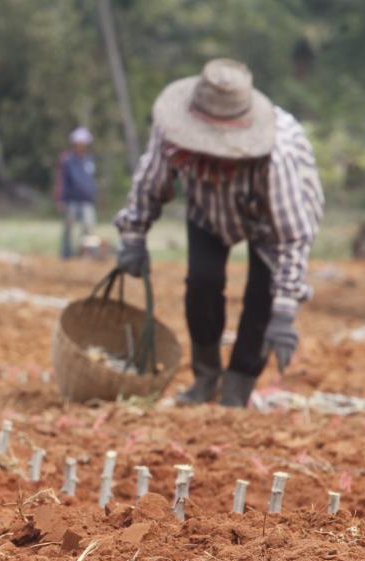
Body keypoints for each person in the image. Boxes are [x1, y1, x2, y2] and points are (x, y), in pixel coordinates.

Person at [114, 59, 324, 408]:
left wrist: (285, 312)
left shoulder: (277, 155)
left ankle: (237, 387)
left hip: (269, 219)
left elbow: (292, 236)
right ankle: (206, 376)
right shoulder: (173, 133)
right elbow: (150, 181)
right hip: (208, 207)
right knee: (202, 281)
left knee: (262, 298)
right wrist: (133, 236)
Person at [55, 127, 97, 260]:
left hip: (87, 201)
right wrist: (60, 199)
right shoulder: (67, 160)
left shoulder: (89, 160)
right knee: (68, 228)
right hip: (71, 200)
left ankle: (86, 253)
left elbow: (91, 180)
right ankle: (66, 253)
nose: (82, 146)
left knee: (88, 228)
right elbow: (62, 181)